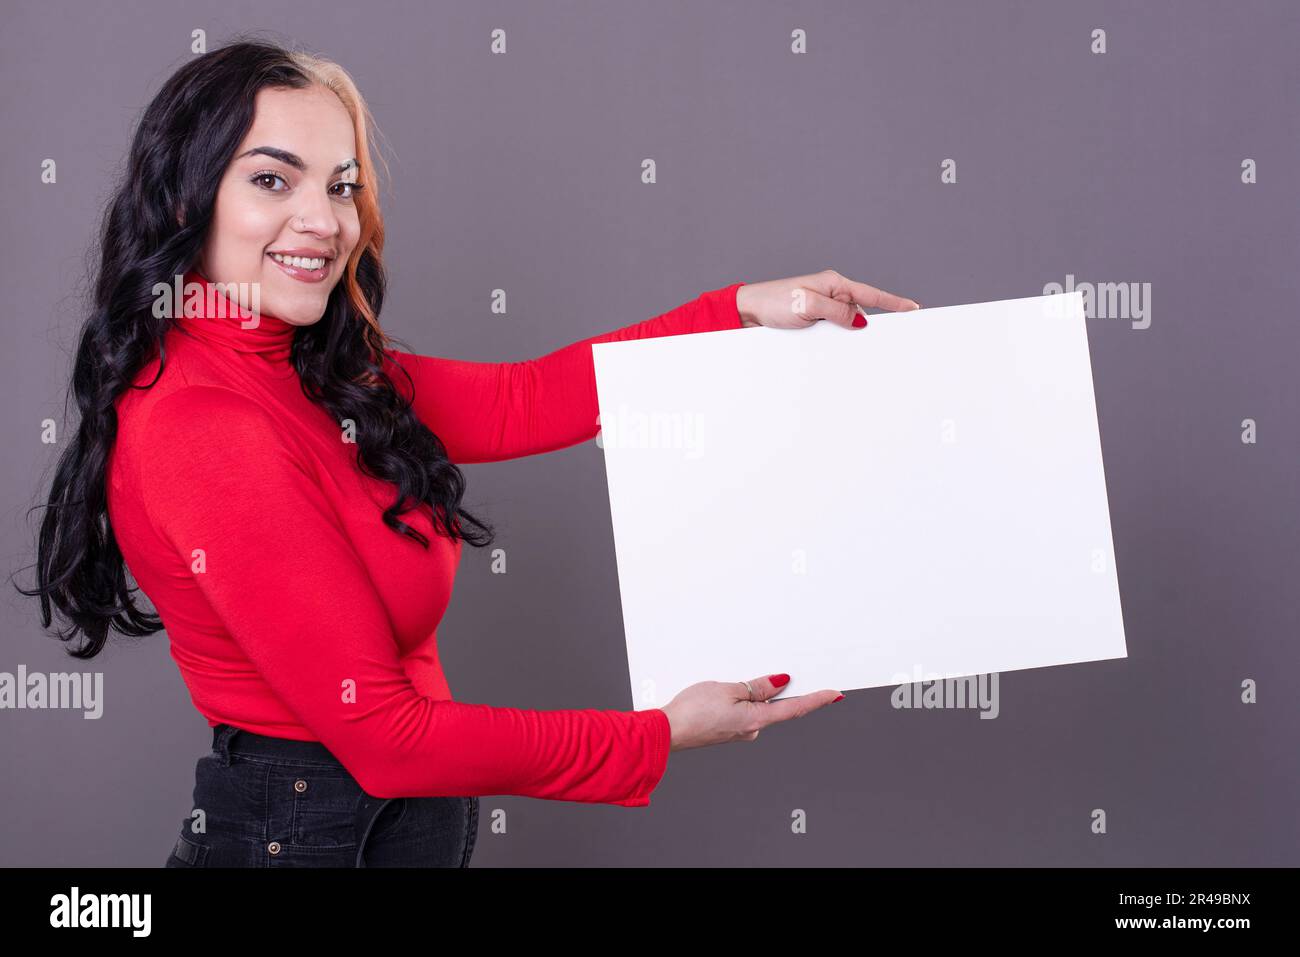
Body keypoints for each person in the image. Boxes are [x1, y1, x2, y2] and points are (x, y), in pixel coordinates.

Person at [18, 38, 920, 867]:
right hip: (307, 832)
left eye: (339, 185)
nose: (324, 222)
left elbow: (531, 396)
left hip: (383, 828)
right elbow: (385, 735)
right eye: (272, 180)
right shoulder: (199, 424)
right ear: (186, 196)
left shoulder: (323, 372)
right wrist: (656, 735)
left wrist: (742, 310)